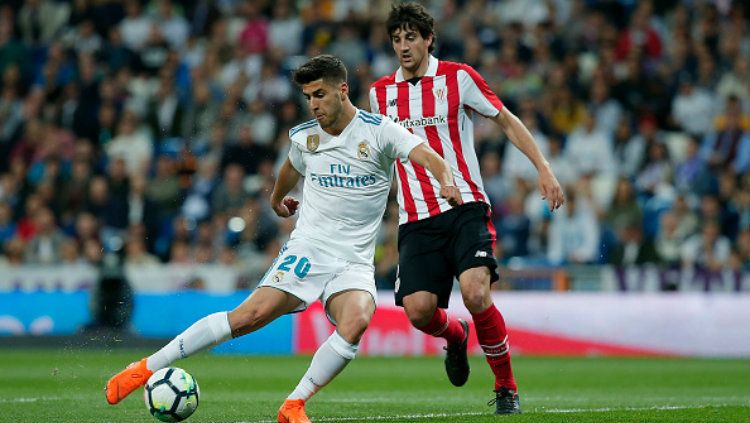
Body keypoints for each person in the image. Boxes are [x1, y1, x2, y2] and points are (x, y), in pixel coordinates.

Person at [104, 54, 461, 423]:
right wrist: (276, 199)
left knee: (356, 320)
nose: (313, 104)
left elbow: (429, 156)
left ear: (343, 89)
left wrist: (446, 181)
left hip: (354, 260)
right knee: (248, 317)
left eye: (320, 94)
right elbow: (291, 166)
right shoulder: (306, 137)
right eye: (308, 96)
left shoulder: (379, 131)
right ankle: (145, 368)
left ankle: (293, 405)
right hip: (310, 248)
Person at [369, 3, 564, 414]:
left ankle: (506, 388)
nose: (403, 46)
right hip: (416, 219)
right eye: (397, 39)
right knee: (420, 311)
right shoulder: (379, 93)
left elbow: (507, 120)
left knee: (476, 292)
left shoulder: (459, 78)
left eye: (411, 37)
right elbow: (379, 159)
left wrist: (543, 169)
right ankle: (456, 337)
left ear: (428, 38)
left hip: (465, 207)